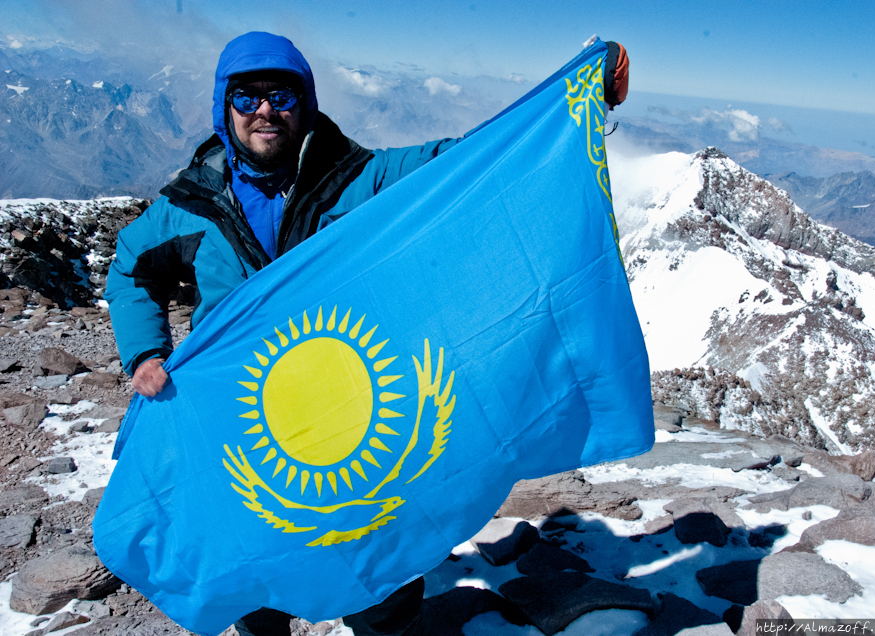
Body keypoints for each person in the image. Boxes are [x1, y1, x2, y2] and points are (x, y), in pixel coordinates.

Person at [105, 31, 628, 636]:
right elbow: (132, 271)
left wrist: (576, 99)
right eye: (246, 98)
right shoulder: (189, 205)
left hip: (352, 410)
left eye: (282, 94)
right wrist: (146, 350)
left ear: (307, 102)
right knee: (251, 560)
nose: (265, 111)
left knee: (375, 561)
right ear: (224, 108)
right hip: (241, 417)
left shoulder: (363, 179)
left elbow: (470, 164)